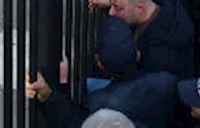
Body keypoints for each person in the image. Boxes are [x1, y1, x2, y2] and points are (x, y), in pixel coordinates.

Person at [25, 16, 177, 128]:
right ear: (137, 55)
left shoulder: (98, 104)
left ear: (100, 65)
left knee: (83, 87)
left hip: (113, 99)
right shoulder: (167, 82)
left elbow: (73, 123)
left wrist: (58, 88)